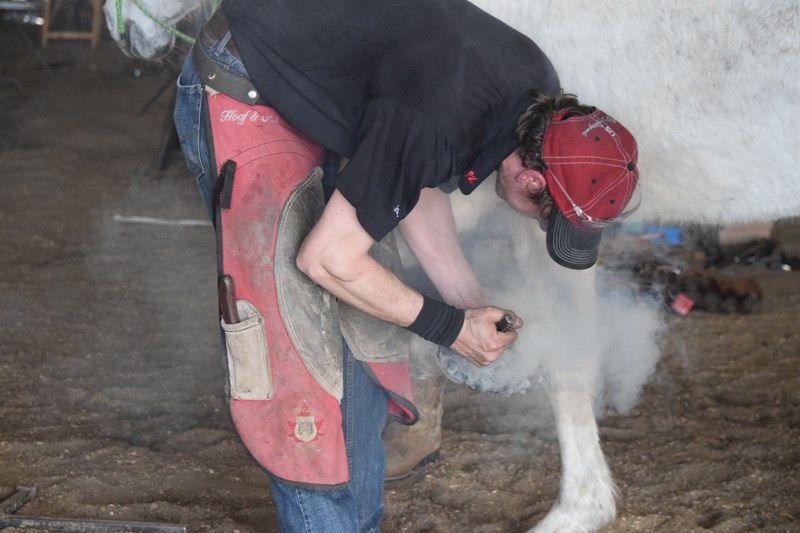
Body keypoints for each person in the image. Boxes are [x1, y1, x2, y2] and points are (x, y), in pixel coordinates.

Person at [173, 0, 640, 531]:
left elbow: (416, 178)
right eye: (546, 217)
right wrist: (449, 327)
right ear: (533, 180)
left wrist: (465, 304)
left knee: (367, 342)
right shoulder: (440, 119)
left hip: (310, 82)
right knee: (302, 365)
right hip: (246, 80)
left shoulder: (533, 86)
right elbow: (325, 258)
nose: (540, 226)